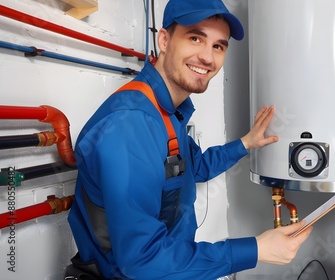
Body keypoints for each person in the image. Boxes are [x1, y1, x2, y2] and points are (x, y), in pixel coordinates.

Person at [67, 0, 312, 279]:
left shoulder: (168, 112)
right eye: (195, 37)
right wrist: (255, 249)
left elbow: (194, 168)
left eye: (218, 46)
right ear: (164, 39)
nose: (207, 57)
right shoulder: (132, 125)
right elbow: (141, 261)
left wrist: (246, 143)